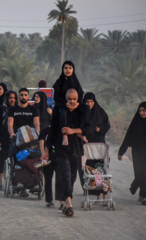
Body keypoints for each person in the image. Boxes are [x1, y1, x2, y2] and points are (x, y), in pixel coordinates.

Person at [42, 89, 90, 217]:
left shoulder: (83, 110)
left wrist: (72, 131)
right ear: (65, 98)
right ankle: (69, 203)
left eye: (74, 99)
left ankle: (63, 199)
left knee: (72, 177)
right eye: (69, 99)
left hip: (76, 148)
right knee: (66, 174)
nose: (72, 102)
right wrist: (46, 150)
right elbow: (52, 131)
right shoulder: (59, 110)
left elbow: (86, 130)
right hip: (61, 147)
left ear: (78, 99)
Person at [8, 88, 40, 197]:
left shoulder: (34, 109)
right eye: (21, 95)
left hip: (31, 140)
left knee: (34, 158)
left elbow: (36, 124)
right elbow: (10, 124)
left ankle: (35, 182)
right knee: (18, 158)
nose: (23, 97)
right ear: (18, 96)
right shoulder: (13, 109)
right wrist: (11, 133)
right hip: (17, 139)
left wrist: (38, 134)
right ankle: (19, 182)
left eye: (25, 95)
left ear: (28, 96)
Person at [83, 92, 111, 203]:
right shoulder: (82, 112)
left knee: (102, 170)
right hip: (87, 146)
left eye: (91, 102)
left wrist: (100, 128)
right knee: (90, 171)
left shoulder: (101, 112)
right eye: (87, 102)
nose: (89, 104)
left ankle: (104, 196)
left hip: (99, 145)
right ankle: (97, 196)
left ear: (94, 102)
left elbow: (107, 125)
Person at [0, 90, 18, 190]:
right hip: (1, 140)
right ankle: (1, 183)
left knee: (16, 162)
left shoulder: (17, 110)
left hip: (15, 140)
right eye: (10, 98)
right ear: (6, 99)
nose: (12, 100)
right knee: (0, 162)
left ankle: (14, 183)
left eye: (14, 98)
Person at [53, 61, 84, 146]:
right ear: (63, 69)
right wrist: (65, 103)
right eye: (66, 68)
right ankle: (65, 135)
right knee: (63, 113)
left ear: (73, 69)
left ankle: (81, 132)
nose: (68, 70)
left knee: (86, 109)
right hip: (63, 105)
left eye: (70, 68)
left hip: (75, 104)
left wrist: (77, 103)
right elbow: (56, 97)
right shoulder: (59, 82)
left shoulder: (76, 81)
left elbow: (80, 94)